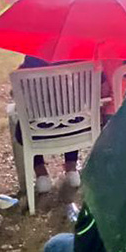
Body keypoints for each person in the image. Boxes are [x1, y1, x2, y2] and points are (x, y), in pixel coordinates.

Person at [14, 55, 80, 194]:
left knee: (23, 128)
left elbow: (14, 93)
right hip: (75, 130)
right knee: (71, 113)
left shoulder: (30, 63)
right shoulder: (77, 60)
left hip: (39, 132)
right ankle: (71, 168)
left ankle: (41, 174)